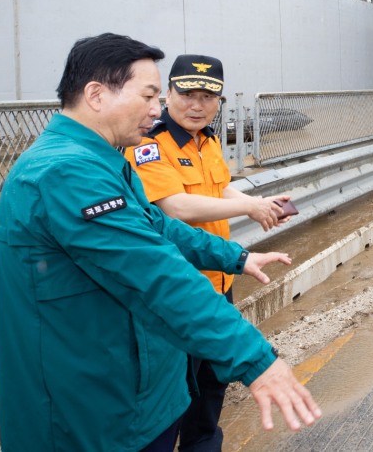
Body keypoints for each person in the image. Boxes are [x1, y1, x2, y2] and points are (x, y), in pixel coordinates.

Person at [0, 33, 320, 451]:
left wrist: (235, 257)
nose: (155, 109)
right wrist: (256, 361)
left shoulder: (101, 160)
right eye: (149, 95)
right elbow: (155, 274)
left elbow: (160, 229)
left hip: (134, 396)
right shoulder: (67, 174)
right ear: (96, 95)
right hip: (93, 420)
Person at [127, 54, 293, 451]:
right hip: (179, 290)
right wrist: (249, 208)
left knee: (211, 386)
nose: (197, 105)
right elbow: (175, 207)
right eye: (187, 94)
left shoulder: (208, 140)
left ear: (219, 101)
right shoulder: (150, 144)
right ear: (167, 93)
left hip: (218, 282)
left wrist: (261, 201)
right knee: (175, 394)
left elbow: (217, 189)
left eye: (208, 96)